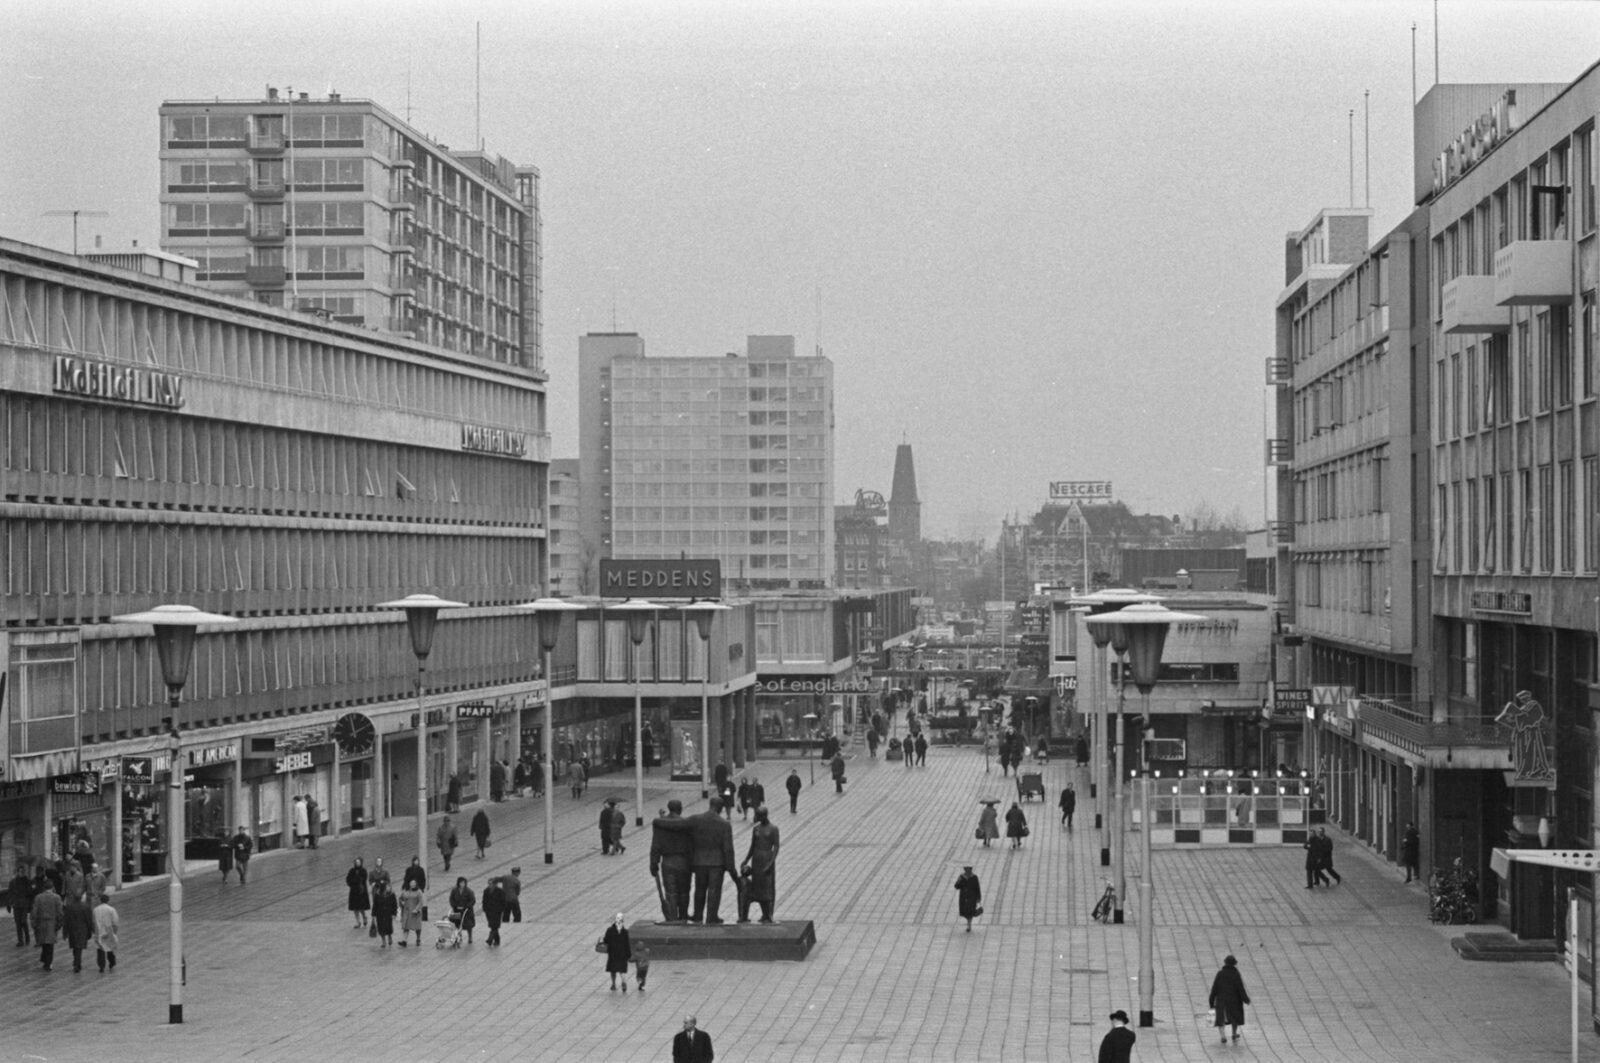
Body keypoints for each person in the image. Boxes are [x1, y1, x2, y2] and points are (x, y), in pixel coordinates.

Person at [689, 797, 736, 924]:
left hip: (699, 861)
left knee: (699, 889)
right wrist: (731, 867)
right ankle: (711, 917)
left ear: (710, 805)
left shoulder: (696, 820)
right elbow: (728, 849)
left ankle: (697, 915)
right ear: (720, 808)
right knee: (714, 890)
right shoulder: (724, 824)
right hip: (717, 863)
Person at [651, 799, 695, 922]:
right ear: (680, 809)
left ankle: (672, 917)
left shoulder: (660, 824)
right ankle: (683, 915)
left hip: (667, 861)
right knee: (684, 891)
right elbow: (692, 845)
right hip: (684, 862)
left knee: (670, 892)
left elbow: (656, 845)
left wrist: (653, 863)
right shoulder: (686, 824)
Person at [742, 806, 780, 923]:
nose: (757, 817)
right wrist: (746, 859)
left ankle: (769, 914)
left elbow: (776, 846)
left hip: (766, 858)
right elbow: (752, 845)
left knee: (768, 887)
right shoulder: (756, 829)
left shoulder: (773, 828)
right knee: (758, 887)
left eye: (758, 815)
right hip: (757, 859)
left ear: (764, 815)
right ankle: (764, 914)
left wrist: (771, 863)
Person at [1208, 954, 1251, 1043]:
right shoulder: (1236, 974)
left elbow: (1214, 988)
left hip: (1221, 1000)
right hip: (1234, 1001)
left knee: (1221, 1018)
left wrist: (1211, 1000)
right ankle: (1234, 1034)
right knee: (1234, 1018)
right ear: (1234, 964)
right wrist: (1246, 999)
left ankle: (1223, 1036)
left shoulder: (1220, 974)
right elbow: (1240, 988)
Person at [30, 879, 62, 972]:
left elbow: (34, 912)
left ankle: (45, 960)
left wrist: (34, 923)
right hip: (52, 922)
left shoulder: (38, 897)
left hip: (41, 922)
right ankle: (48, 963)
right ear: (52, 887)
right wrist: (59, 923)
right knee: (50, 943)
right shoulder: (56, 898)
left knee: (44, 941)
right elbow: (60, 912)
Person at [61, 891, 94, 973]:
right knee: (79, 947)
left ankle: (76, 962)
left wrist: (65, 932)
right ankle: (77, 963)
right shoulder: (85, 907)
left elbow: (66, 920)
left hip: (72, 929)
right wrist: (91, 929)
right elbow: (89, 920)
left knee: (75, 946)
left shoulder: (69, 907)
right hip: (82, 929)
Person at [603, 912, 631, 991]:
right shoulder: (625, 932)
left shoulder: (610, 930)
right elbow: (627, 943)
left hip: (613, 953)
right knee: (621, 970)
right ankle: (624, 981)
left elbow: (606, 940)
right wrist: (628, 954)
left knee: (613, 970)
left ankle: (613, 984)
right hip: (622, 954)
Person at [92, 894, 118, 972]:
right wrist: (115, 932)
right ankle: (112, 962)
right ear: (108, 900)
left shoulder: (95, 909)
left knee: (100, 949)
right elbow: (115, 921)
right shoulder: (111, 909)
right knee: (109, 948)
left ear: (100, 900)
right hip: (108, 931)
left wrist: (94, 931)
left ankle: (101, 966)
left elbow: (93, 921)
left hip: (99, 931)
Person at [9, 864, 34, 946]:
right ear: (17, 872)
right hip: (16, 904)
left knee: (23, 921)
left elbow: (30, 893)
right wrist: (9, 904)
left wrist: (30, 905)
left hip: (24, 904)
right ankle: (20, 940)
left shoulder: (27, 881)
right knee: (18, 923)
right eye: (20, 871)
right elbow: (10, 893)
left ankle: (27, 937)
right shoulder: (13, 882)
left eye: (23, 871)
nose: (21, 873)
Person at [449, 876, 477, 945]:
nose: (462, 884)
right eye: (461, 883)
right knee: (457, 923)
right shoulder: (454, 890)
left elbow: (472, 900)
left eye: (463, 883)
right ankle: (459, 936)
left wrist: (467, 906)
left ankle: (470, 937)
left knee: (468, 925)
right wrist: (454, 906)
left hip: (467, 911)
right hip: (457, 910)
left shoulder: (469, 891)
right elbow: (451, 899)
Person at [954, 865, 982, 932]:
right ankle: (968, 921)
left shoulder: (974, 877)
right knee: (964, 911)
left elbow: (977, 888)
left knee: (970, 910)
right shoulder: (961, 877)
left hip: (972, 897)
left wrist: (978, 897)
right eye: (965, 869)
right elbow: (956, 886)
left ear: (970, 869)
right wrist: (959, 881)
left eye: (968, 869)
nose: (966, 870)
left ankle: (969, 924)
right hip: (963, 897)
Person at [398, 877, 425, 947]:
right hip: (407, 911)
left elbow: (421, 901)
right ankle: (404, 941)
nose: (412, 884)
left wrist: (417, 909)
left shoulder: (419, 892)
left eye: (414, 883)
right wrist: (402, 903)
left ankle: (418, 939)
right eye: (411, 883)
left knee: (417, 927)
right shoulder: (406, 891)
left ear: (416, 884)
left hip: (415, 912)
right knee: (406, 927)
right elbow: (400, 898)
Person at [371, 880, 398, 948]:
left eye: (389, 886)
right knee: (381, 928)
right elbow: (375, 905)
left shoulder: (392, 894)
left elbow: (395, 905)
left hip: (388, 914)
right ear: (384, 888)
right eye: (387, 886)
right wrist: (373, 915)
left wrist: (394, 914)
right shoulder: (377, 895)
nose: (389, 887)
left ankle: (389, 937)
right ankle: (383, 941)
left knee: (388, 927)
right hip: (380, 914)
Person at [481, 877, 507, 947]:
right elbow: (484, 901)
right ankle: (494, 940)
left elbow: (504, 902)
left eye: (491, 883)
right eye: (489, 883)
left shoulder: (500, 891)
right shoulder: (486, 891)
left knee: (494, 926)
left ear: (495, 884)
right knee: (493, 926)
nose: (490, 885)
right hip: (489, 911)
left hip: (497, 912)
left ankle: (491, 939)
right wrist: (485, 909)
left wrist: (501, 910)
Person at [346, 857, 371, 928]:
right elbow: (348, 879)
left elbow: (363, 879)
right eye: (356, 862)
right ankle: (358, 922)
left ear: (361, 863)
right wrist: (352, 882)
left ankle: (364, 917)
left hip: (361, 892)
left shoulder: (363, 870)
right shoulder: (352, 870)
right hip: (353, 892)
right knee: (354, 908)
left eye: (358, 862)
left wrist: (355, 880)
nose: (357, 863)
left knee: (361, 907)